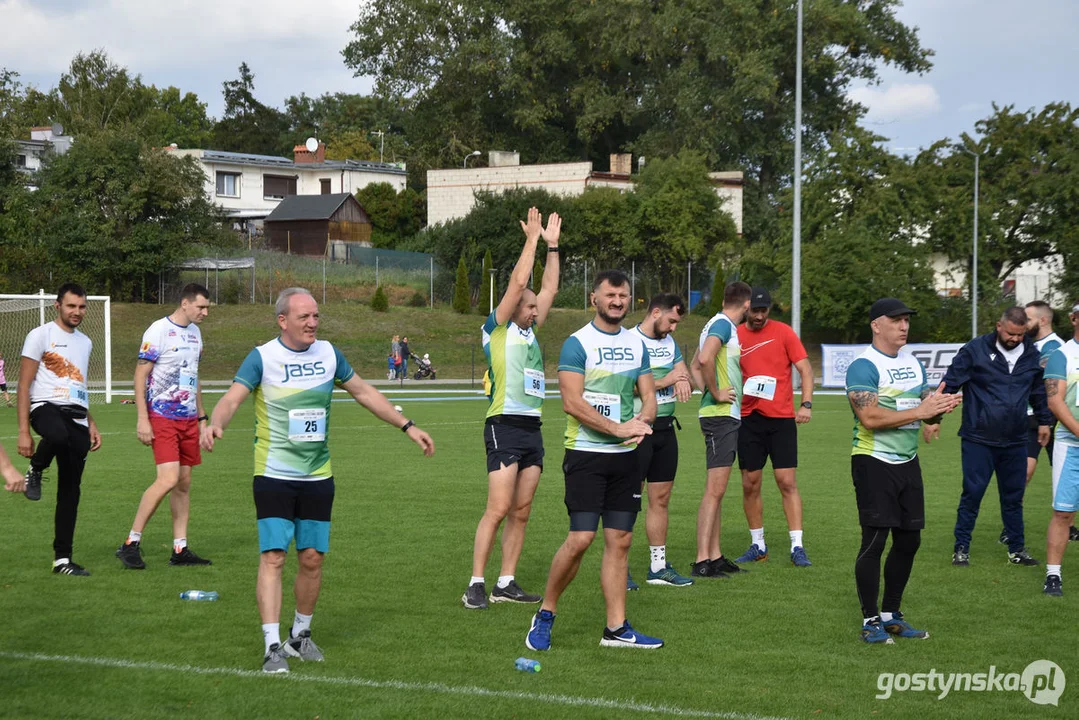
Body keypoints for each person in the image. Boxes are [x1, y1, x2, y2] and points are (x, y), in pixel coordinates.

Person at [200, 288, 435, 673]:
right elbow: (232, 398)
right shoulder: (263, 357)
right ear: (282, 321)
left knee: (312, 558)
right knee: (274, 557)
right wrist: (216, 424)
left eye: (316, 316)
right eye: (304, 317)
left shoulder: (329, 354)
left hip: (318, 476)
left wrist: (406, 425)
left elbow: (363, 391)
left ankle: (300, 636)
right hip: (274, 474)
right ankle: (272, 645)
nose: (312, 323)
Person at [524, 270, 660, 651]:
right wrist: (617, 429)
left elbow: (647, 393)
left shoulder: (637, 346)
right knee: (581, 538)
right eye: (610, 294)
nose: (618, 301)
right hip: (586, 455)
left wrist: (644, 419)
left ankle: (616, 629)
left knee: (620, 540)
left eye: (624, 295)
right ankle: (546, 613)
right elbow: (572, 402)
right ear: (593, 298)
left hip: (626, 459)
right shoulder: (576, 343)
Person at [845, 298, 961, 643]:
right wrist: (922, 413)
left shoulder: (914, 363)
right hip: (873, 461)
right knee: (875, 540)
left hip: (908, 462)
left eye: (907, 319)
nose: (904, 325)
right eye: (896, 319)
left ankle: (891, 615)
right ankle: (870, 621)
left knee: (909, 540)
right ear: (876, 325)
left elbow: (925, 410)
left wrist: (940, 410)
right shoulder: (863, 366)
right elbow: (870, 417)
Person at [465, 207, 561, 609]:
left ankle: (507, 582)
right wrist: (532, 240)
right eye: (530, 306)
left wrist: (554, 246)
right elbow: (519, 282)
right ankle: (475, 584)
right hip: (502, 424)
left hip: (531, 428)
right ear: (513, 306)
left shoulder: (529, 330)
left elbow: (548, 289)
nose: (537, 311)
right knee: (499, 507)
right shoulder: (497, 328)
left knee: (521, 510)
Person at [943, 306, 1052, 568]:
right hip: (978, 437)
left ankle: (1016, 550)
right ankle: (961, 548)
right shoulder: (975, 350)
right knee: (972, 493)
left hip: (1015, 438)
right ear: (999, 326)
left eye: (1021, 334)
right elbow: (951, 382)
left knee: (1013, 497)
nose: (1016, 339)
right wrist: (934, 418)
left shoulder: (1031, 354)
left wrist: (1045, 421)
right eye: (1012, 334)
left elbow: (1038, 391)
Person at [116, 283, 213, 570]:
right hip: (162, 416)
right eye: (201, 307)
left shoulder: (196, 334)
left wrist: (201, 416)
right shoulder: (158, 330)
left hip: (187, 419)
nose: (205, 312)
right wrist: (143, 418)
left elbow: (193, 377)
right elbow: (140, 375)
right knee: (167, 479)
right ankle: (130, 543)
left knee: (183, 485)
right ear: (185, 303)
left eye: (207, 307)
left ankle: (180, 549)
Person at [16, 283, 103, 575]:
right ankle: (36, 469)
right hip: (45, 408)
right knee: (56, 435)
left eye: (81, 307)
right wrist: (23, 431)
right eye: (71, 306)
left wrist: (91, 423)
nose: (77, 312)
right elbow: (24, 385)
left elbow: (78, 384)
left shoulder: (86, 342)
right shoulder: (39, 335)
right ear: (58, 306)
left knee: (71, 490)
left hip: (77, 416)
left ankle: (62, 560)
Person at [734, 287, 815, 567]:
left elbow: (805, 369)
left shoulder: (783, 332)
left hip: (781, 418)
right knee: (750, 483)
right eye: (754, 310)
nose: (758, 315)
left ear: (769, 309)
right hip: (748, 419)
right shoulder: (734, 335)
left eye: (763, 310)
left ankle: (797, 546)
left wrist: (806, 404)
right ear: (746, 309)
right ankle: (758, 544)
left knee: (787, 482)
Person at [629, 293, 694, 588]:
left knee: (661, 499)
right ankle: (620, 568)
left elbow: (684, 373)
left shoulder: (669, 343)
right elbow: (627, 386)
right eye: (671, 321)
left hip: (666, 430)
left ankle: (658, 567)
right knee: (628, 501)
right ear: (656, 312)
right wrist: (668, 380)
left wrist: (681, 378)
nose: (673, 328)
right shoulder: (629, 341)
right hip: (636, 430)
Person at [689, 281, 752, 579]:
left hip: (723, 414)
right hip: (720, 415)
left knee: (718, 490)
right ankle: (703, 559)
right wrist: (713, 392)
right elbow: (703, 359)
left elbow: (693, 364)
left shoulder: (714, 324)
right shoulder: (724, 325)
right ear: (747, 304)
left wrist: (705, 389)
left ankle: (714, 555)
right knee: (714, 490)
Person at [999, 300, 1065, 548]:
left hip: (1056, 420)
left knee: (1065, 474)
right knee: (1023, 472)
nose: (1024, 323)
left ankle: (1066, 522)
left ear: (1043, 320)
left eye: (1028, 318)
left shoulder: (1056, 347)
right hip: (1031, 418)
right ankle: (1010, 528)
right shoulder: (1026, 346)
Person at [1041, 331, 1079, 595]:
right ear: (1074, 319)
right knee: (1064, 513)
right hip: (1071, 445)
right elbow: (1055, 401)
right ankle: (1053, 575)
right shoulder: (1062, 355)